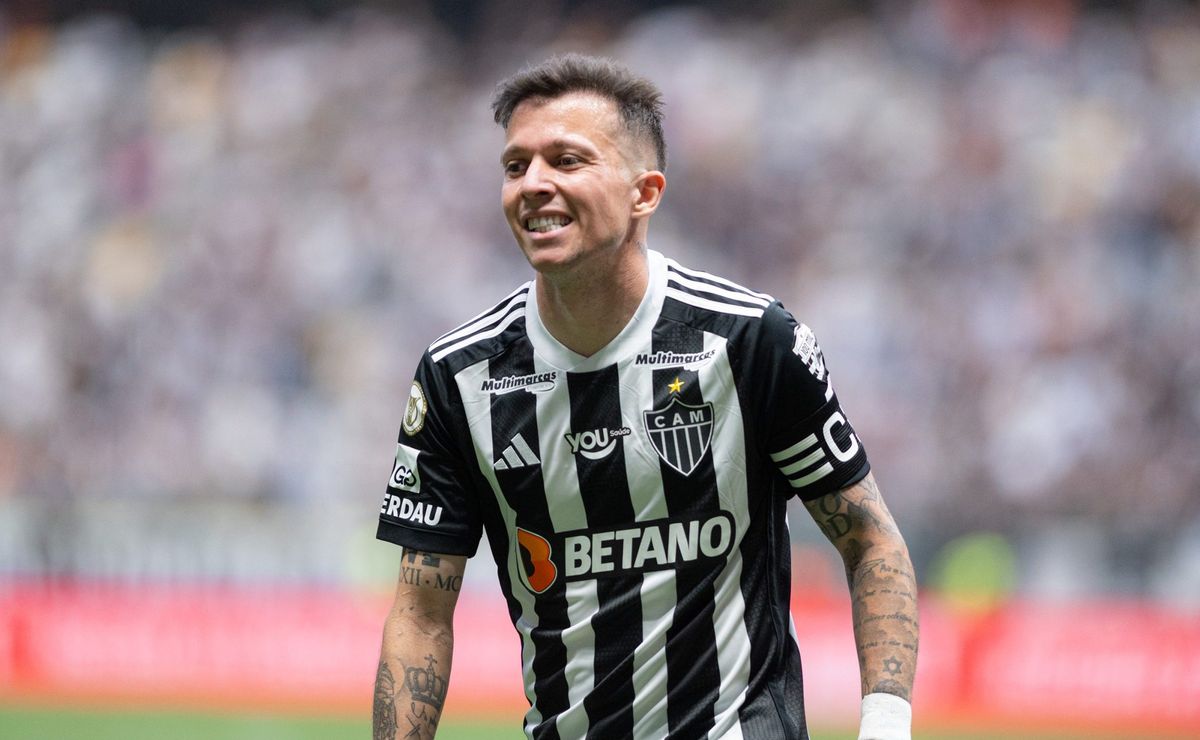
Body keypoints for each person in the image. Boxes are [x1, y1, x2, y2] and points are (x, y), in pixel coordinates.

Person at [372, 53, 918, 740]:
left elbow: (870, 540)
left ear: (645, 193)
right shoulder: (459, 375)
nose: (533, 184)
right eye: (515, 166)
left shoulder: (749, 341)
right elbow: (421, 610)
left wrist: (885, 726)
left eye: (566, 161)